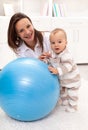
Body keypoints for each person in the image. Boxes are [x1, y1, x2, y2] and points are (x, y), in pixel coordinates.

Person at [47, 28, 81, 112]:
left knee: (72, 94)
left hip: (72, 80)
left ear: (66, 42)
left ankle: (73, 106)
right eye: (53, 43)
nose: (56, 45)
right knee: (62, 91)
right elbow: (52, 60)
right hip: (63, 80)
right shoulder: (54, 53)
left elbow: (67, 67)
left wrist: (57, 70)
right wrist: (47, 58)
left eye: (59, 42)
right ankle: (65, 100)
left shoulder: (66, 55)